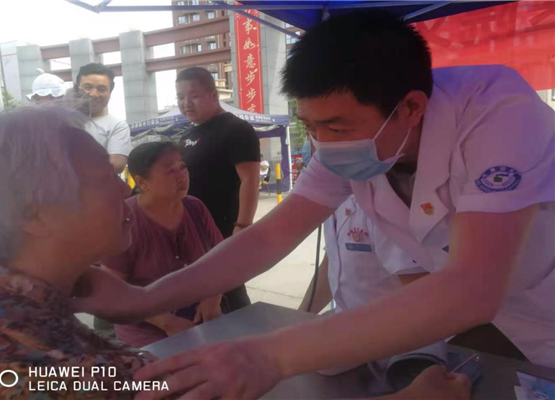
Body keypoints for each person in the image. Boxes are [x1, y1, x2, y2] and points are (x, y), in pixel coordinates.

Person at [73, 10, 555, 399]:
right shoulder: (353, 140)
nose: (324, 144)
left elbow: (471, 286)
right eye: (312, 126)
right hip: (485, 325)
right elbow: (269, 236)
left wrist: (270, 355)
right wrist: (148, 298)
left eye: (338, 127)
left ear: (410, 107)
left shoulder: (498, 113)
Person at [0, 108, 160, 399]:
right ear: (32, 214)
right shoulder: (55, 377)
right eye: (106, 177)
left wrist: (146, 299)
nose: (126, 190)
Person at [102, 142, 226, 348]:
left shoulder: (195, 207)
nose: (181, 175)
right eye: (170, 171)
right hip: (147, 333)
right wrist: (167, 322)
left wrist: (213, 298)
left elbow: (222, 259)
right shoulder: (122, 220)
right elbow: (113, 289)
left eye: (182, 167)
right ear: (142, 182)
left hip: (202, 320)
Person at [176, 66, 261, 311]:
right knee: (201, 292)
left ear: (213, 95)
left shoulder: (236, 129)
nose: (186, 103)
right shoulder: (188, 134)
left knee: (229, 289)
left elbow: (250, 179)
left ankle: (247, 331)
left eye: (194, 95)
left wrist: (242, 227)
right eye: (180, 97)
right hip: (192, 228)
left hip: (223, 228)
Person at [76, 63, 132, 174]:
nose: (93, 94)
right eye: (87, 87)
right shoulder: (62, 120)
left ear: (110, 93)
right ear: (77, 89)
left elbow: (116, 165)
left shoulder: (117, 126)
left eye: (101, 89)